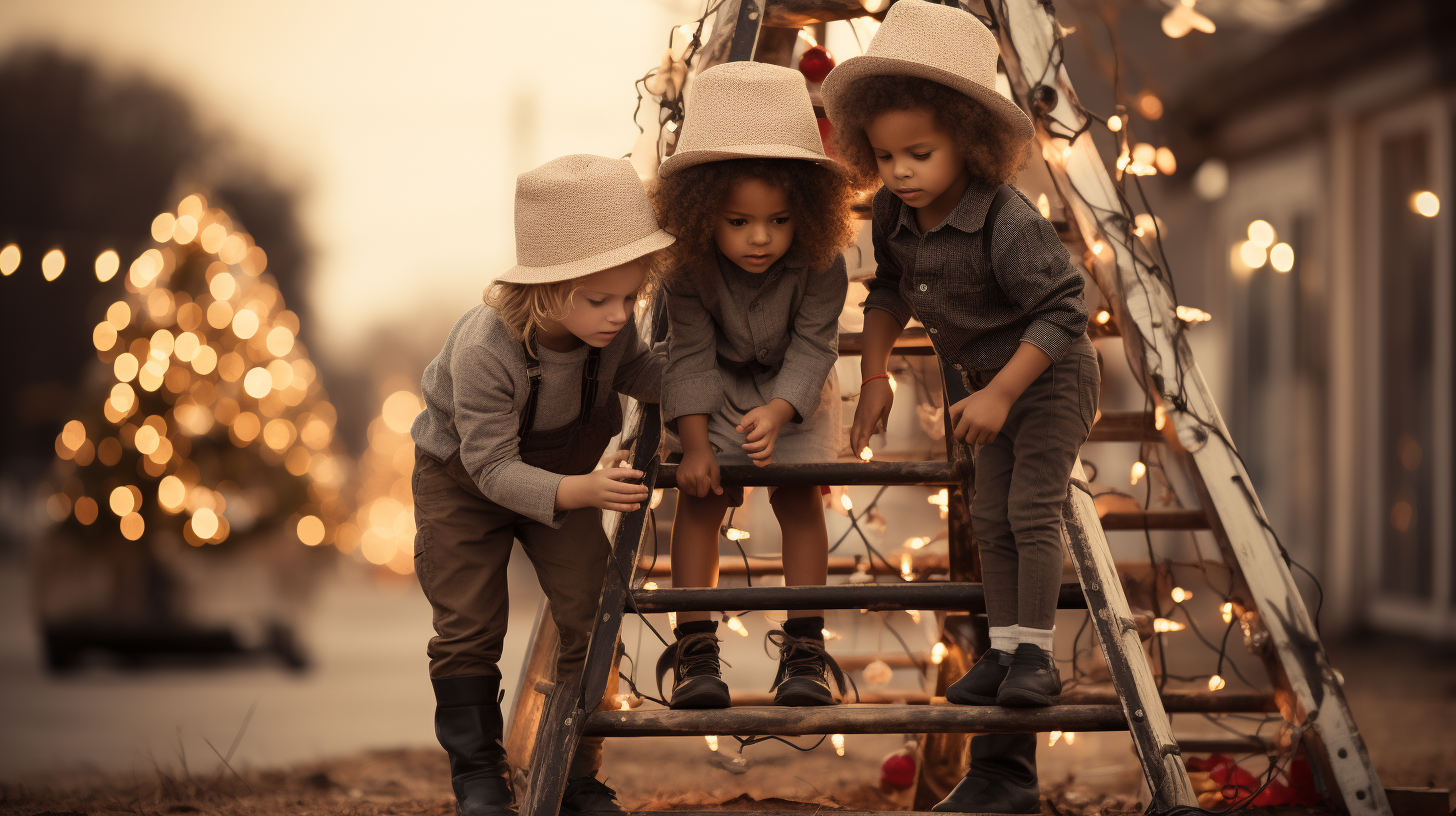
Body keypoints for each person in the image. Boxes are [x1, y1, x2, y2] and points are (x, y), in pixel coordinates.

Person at [824, 1, 1099, 811]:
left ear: (969, 144)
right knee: (988, 522)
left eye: (921, 153)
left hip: (1045, 379)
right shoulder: (893, 213)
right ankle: (1005, 647)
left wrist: (1004, 391)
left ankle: (1036, 655)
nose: (902, 170)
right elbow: (887, 294)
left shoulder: (1006, 221)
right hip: (982, 388)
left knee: (1030, 508)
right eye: (886, 156)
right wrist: (875, 379)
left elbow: (1063, 313)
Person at [411, 154, 674, 816]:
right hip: (465, 482)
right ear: (547, 289)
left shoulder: (610, 329)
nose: (618, 315)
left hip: (563, 475)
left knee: (592, 608)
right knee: (469, 622)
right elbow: (492, 468)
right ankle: (478, 771)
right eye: (599, 300)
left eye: (630, 298)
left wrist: (717, 381)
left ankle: (576, 767)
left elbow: (646, 371)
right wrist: (585, 492)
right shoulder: (485, 352)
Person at [649, 61, 859, 710]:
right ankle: (696, 651)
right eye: (738, 222)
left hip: (795, 393)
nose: (760, 238)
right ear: (703, 213)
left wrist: (779, 409)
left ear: (809, 214)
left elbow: (815, 345)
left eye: (779, 221)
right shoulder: (684, 269)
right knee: (701, 500)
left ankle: (805, 651)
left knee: (799, 500)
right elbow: (687, 352)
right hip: (711, 391)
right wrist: (695, 444)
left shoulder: (823, 264)